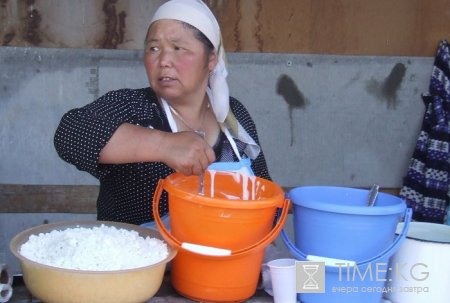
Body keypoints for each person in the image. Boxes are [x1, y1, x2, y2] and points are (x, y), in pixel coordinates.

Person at [54, 0, 271, 226]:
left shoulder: (232, 117)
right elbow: (70, 134)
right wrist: (164, 145)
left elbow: (266, 196)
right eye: (154, 48)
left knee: (304, 263)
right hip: (141, 260)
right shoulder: (134, 107)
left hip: (223, 258)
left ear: (211, 59)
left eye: (178, 48)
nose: (164, 61)